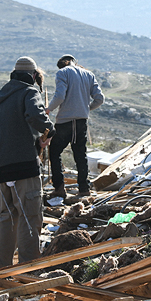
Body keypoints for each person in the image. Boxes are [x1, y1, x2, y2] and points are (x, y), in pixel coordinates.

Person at [0, 56, 55, 268]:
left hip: (2, 170)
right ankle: (29, 274)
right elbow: (36, 116)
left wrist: (37, 143)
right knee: (29, 219)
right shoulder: (29, 91)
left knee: (8, 220)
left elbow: (11, 134)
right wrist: (49, 131)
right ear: (33, 76)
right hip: (24, 169)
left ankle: (2, 272)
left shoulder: (1, 99)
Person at [46, 54, 105, 197]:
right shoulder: (89, 74)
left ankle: (59, 188)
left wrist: (48, 109)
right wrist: (85, 108)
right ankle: (84, 189)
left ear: (62, 65)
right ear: (74, 62)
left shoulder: (62, 73)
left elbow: (60, 96)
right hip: (81, 121)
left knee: (54, 152)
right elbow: (100, 99)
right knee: (80, 155)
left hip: (65, 121)